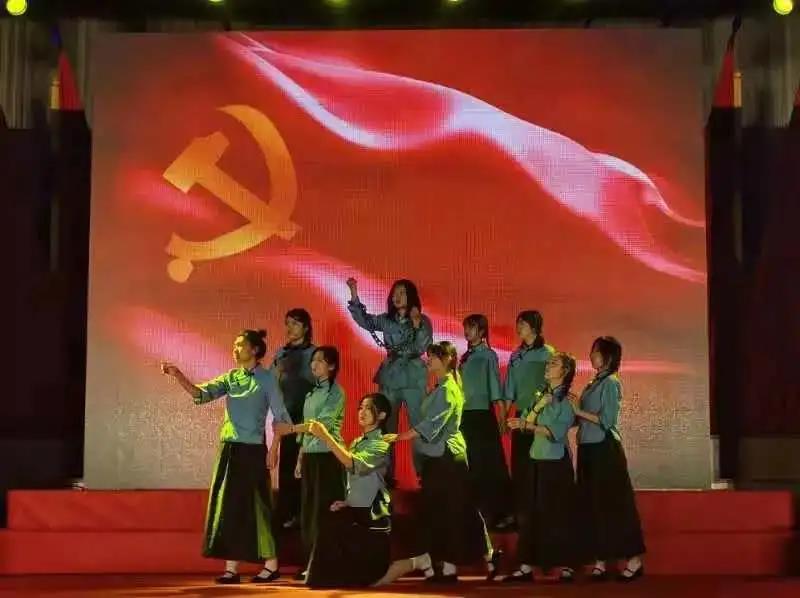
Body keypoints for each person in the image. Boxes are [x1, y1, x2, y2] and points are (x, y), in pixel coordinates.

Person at [160, 329, 290, 585]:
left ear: (255, 349)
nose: (235, 349)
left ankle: (271, 564)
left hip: (253, 449)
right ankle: (231, 568)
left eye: (240, 345)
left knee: (257, 506)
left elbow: (281, 418)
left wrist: (274, 448)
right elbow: (201, 394)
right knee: (229, 507)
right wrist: (178, 375)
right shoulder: (231, 377)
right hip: (229, 448)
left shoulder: (267, 379)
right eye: (235, 345)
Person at [376, 341, 500, 585]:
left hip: (448, 458)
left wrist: (399, 436)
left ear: (445, 360)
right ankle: (451, 568)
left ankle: (487, 556)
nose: (428, 361)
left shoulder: (448, 389)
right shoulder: (440, 387)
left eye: (433, 357)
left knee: (458, 511)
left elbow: (432, 424)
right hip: (437, 458)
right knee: (443, 512)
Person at [570, 336, 646, 582]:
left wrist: (578, 410)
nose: (591, 355)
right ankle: (600, 560)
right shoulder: (593, 383)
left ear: (608, 357)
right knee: (592, 505)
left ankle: (633, 559)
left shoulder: (611, 383)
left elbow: (607, 420)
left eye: (596, 352)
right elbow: (582, 417)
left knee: (614, 505)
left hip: (604, 450)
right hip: (587, 449)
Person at [346, 277, 433, 484]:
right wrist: (354, 293)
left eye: (402, 293)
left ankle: (425, 475)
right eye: (394, 293)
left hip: (413, 377)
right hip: (390, 376)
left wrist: (417, 324)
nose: (397, 296)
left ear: (411, 296)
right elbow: (365, 321)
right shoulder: (387, 320)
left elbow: (423, 346)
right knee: (385, 426)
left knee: (419, 426)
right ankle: (385, 475)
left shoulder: (422, 320)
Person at [304, 393, 393, 588]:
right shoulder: (357, 442)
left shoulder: (382, 442)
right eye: (360, 407)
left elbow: (354, 465)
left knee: (354, 576)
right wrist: (347, 502)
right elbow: (356, 482)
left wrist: (326, 436)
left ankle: (414, 562)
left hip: (372, 521)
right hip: (357, 514)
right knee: (328, 519)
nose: (362, 412)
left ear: (382, 415)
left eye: (368, 408)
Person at [504, 352, 579, 583]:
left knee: (557, 513)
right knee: (532, 513)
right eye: (548, 363)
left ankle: (566, 565)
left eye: (554, 364)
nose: (548, 366)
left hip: (556, 463)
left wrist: (527, 424)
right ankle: (526, 566)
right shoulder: (542, 394)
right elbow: (527, 420)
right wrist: (534, 413)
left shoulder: (568, 400)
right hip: (536, 458)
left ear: (565, 371)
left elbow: (555, 432)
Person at [273, 346, 346, 581]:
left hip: (328, 457)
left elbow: (320, 425)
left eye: (320, 361)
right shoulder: (311, 394)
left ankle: (326, 563)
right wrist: (300, 457)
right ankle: (310, 562)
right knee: (308, 512)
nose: (314, 364)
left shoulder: (336, 392)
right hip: (310, 457)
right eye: (313, 360)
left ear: (332, 366)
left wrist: (290, 429)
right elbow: (307, 430)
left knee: (324, 512)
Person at [459, 314, 513, 529]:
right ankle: (478, 513)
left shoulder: (488, 355)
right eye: (466, 327)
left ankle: (500, 514)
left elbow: (495, 389)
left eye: (471, 327)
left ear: (482, 331)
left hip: (481, 416)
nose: (467, 331)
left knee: (490, 465)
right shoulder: (465, 357)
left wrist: (502, 417)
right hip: (465, 416)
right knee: (472, 465)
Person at [503, 310, 555, 522]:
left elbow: (553, 386)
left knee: (539, 464)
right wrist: (504, 416)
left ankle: (542, 513)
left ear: (534, 327)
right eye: (518, 323)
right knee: (520, 465)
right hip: (520, 415)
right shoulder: (515, 355)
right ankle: (521, 513)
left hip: (541, 416)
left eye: (522, 324)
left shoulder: (548, 353)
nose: (518, 327)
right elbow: (510, 389)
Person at [271, 308, 316, 530]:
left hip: (309, 417)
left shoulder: (315, 353)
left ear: (306, 327)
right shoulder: (281, 354)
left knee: (306, 466)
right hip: (287, 417)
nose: (290, 328)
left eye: (295, 323)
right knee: (287, 466)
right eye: (287, 323)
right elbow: (270, 383)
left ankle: (305, 515)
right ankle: (287, 514)